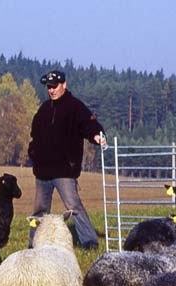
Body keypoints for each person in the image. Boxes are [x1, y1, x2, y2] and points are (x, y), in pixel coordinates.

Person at [27, 69, 106, 249]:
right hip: (42, 171)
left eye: (54, 87)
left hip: (64, 170)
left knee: (73, 206)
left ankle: (89, 242)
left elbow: (89, 123)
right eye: (49, 87)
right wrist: (33, 153)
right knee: (39, 211)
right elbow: (34, 135)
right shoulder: (44, 109)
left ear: (64, 85)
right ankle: (33, 245)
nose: (51, 90)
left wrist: (96, 135)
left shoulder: (75, 107)